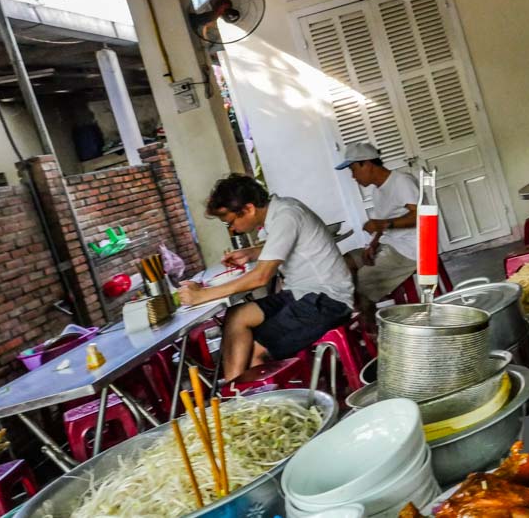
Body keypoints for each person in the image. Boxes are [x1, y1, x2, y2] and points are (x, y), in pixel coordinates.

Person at [178, 174, 354, 382]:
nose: (232, 229)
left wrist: (202, 296)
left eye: (231, 222)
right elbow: (283, 246)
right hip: (302, 293)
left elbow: (261, 277)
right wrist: (251, 253)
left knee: (254, 351)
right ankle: (234, 391)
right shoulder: (281, 211)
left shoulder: (286, 216)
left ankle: (258, 400)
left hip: (328, 301)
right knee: (236, 315)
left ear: (249, 209)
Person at [336, 143, 419, 327]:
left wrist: (383, 224)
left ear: (366, 164)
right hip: (388, 245)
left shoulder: (401, 181)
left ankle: (375, 333)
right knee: (344, 262)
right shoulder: (377, 191)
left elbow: (420, 215)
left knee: (360, 286)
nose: (353, 176)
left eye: (353, 169)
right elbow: (382, 228)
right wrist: (372, 244)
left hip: (410, 249)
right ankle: (367, 319)